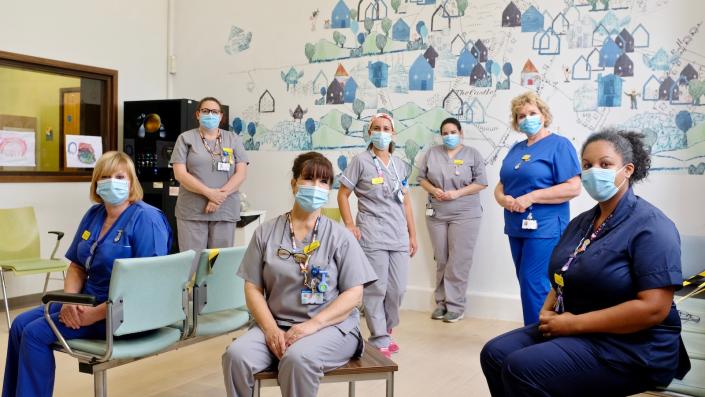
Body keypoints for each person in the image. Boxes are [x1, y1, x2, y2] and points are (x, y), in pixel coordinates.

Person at [480, 129, 691, 396]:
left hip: (633, 345)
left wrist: (573, 325)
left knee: (521, 367)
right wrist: (547, 312)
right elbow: (562, 276)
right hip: (577, 326)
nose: (594, 172)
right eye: (587, 165)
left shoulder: (652, 227)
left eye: (605, 164)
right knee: (495, 353)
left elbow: (654, 309)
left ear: (627, 170)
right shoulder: (582, 223)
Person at [2, 151, 172, 397]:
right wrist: (70, 302)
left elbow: (148, 284)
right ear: (96, 183)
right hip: (85, 303)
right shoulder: (95, 214)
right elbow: (77, 266)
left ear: (131, 181)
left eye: (119, 176)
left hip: (125, 312)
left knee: (34, 334)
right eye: (105, 176)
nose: (112, 181)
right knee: (18, 324)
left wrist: (94, 315)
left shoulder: (147, 219)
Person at [222, 152, 376, 397]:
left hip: (330, 328)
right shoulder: (266, 233)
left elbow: (355, 293)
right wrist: (271, 330)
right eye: (309, 179)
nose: (316, 187)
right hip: (276, 326)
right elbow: (252, 287)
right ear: (294, 184)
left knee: (297, 358)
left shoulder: (340, 236)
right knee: (236, 356)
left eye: (323, 182)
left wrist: (312, 325)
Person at [494, 92, 581, 325]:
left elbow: (573, 187)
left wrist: (531, 197)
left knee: (535, 283)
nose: (527, 118)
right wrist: (502, 199)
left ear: (544, 115)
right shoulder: (516, 148)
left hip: (545, 227)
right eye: (521, 115)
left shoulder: (559, 145)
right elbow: (501, 184)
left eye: (532, 113)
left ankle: (538, 339)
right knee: (526, 282)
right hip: (516, 226)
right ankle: (536, 331)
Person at [337, 113, 417, 357]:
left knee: (398, 289)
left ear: (393, 134)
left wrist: (413, 235)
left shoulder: (400, 164)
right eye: (376, 128)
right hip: (372, 234)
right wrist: (350, 224)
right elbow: (342, 194)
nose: (381, 132)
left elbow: (406, 202)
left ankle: (386, 324)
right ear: (369, 132)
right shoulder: (360, 161)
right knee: (376, 289)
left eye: (386, 128)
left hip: (398, 235)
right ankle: (379, 335)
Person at [417, 117, 488, 323]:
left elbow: (482, 182)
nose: (449, 136)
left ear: (461, 133)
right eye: (445, 133)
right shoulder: (432, 153)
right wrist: (434, 190)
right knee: (441, 259)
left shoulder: (473, 154)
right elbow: (421, 178)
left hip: (465, 213)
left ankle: (456, 305)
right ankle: (442, 303)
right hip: (437, 213)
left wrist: (458, 194)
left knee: (458, 260)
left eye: (453, 132)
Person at [170, 96, 248, 265]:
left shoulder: (233, 139)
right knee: (193, 264)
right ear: (198, 114)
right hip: (192, 212)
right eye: (205, 111)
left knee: (217, 264)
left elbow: (241, 173)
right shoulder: (185, 138)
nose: (210, 115)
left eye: (214, 112)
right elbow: (180, 174)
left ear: (221, 116)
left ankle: (215, 292)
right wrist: (209, 194)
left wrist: (219, 197)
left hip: (224, 211)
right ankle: (192, 293)